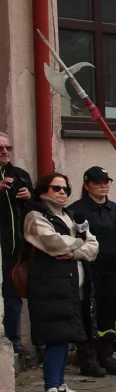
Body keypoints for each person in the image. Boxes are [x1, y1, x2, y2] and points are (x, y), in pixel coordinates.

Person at [25, 172, 98, 392]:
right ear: (44, 190)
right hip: (49, 283)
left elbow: (94, 246)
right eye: (56, 188)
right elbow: (54, 243)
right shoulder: (35, 216)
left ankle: (60, 384)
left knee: (67, 334)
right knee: (55, 335)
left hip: (70, 283)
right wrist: (79, 244)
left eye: (65, 189)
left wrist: (75, 251)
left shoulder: (72, 216)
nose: (62, 193)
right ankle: (50, 387)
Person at [66, 166, 116, 379]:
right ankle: (88, 357)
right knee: (88, 312)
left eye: (106, 182)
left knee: (109, 313)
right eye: (98, 182)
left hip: (113, 270)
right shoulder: (76, 211)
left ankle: (106, 356)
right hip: (89, 270)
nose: (104, 186)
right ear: (87, 185)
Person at [0, 133, 33, 352]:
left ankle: (14, 339)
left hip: (15, 247)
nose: (5, 152)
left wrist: (28, 197)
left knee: (13, 295)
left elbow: (39, 208)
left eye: (8, 148)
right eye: (0, 149)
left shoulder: (20, 174)